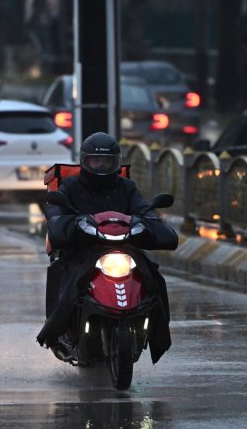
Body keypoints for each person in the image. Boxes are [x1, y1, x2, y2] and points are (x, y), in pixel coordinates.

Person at [37, 132, 178, 364]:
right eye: (95, 161)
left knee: (153, 277)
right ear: (84, 161)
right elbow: (56, 210)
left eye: (107, 162)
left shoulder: (127, 187)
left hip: (124, 247)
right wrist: (65, 222)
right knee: (69, 282)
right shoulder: (70, 186)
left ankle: (157, 334)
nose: (101, 166)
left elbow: (144, 210)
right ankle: (57, 333)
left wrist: (150, 222)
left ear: (117, 163)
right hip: (83, 250)